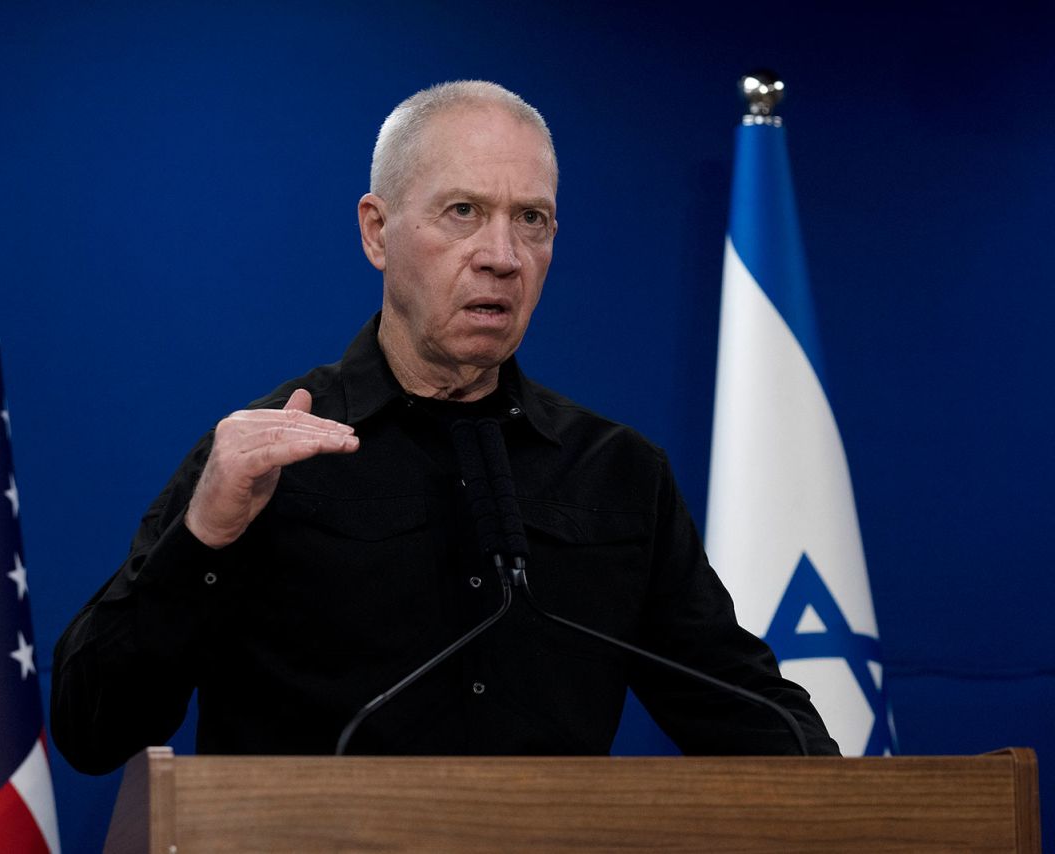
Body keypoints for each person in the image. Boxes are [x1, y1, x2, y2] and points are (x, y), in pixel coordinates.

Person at [51, 81, 838, 775]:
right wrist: (206, 537)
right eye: (463, 212)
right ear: (376, 230)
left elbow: (751, 717)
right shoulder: (266, 455)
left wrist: (876, 810)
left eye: (532, 219)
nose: (502, 255)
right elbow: (92, 730)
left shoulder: (616, 473)